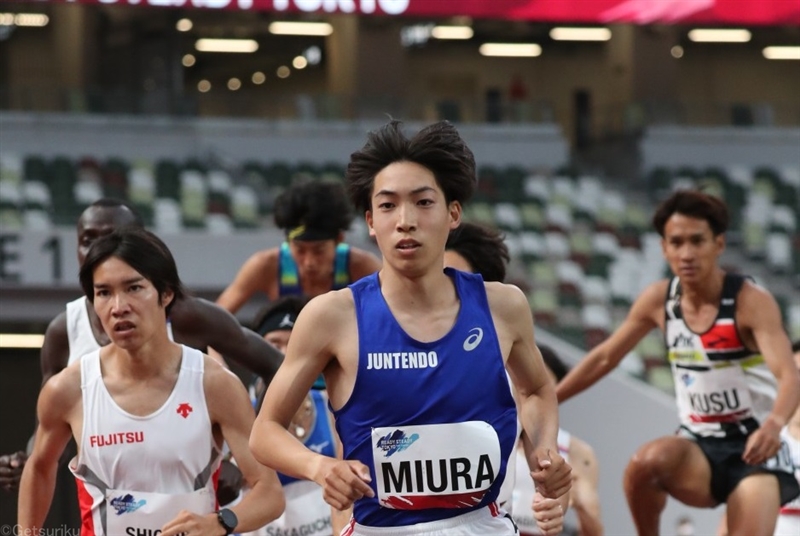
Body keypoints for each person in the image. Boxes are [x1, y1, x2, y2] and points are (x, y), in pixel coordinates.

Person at [250, 120, 571, 536]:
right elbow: (265, 431)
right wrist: (320, 466)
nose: (405, 221)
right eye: (387, 206)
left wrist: (543, 452)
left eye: (423, 202)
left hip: (479, 525)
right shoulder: (332, 316)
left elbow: (535, 389)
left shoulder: (503, 306)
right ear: (370, 221)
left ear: (453, 213)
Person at [0, 199, 284, 505]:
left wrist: (243, 456)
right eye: (88, 240)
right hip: (114, 499)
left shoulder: (189, 316)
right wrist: (28, 461)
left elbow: (279, 367)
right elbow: (52, 423)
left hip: (190, 496)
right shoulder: (63, 331)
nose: (102, 247)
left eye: (113, 236)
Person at [555, 189, 800, 536]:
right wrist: (551, 397)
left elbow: (789, 374)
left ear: (718, 244)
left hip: (755, 452)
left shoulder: (750, 302)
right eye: (676, 242)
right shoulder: (660, 300)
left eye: (697, 241)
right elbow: (606, 356)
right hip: (699, 446)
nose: (686, 253)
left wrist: (774, 425)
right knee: (645, 463)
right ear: (664, 248)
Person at [445, 222, 603, 536]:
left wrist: (555, 501)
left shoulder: (517, 387)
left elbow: (551, 476)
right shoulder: (381, 354)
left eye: (451, 278)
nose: (435, 288)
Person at [240, 296, 338, 536]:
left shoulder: (331, 404)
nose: (282, 354)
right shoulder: (240, 410)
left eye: (293, 344)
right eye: (273, 344)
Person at [216, 181, 381, 313]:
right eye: (300, 250)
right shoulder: (266, 265)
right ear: (287, 242)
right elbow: (216, 319)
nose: (309, 262)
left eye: (319, 250)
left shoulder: (362, 266)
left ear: (339, 240)